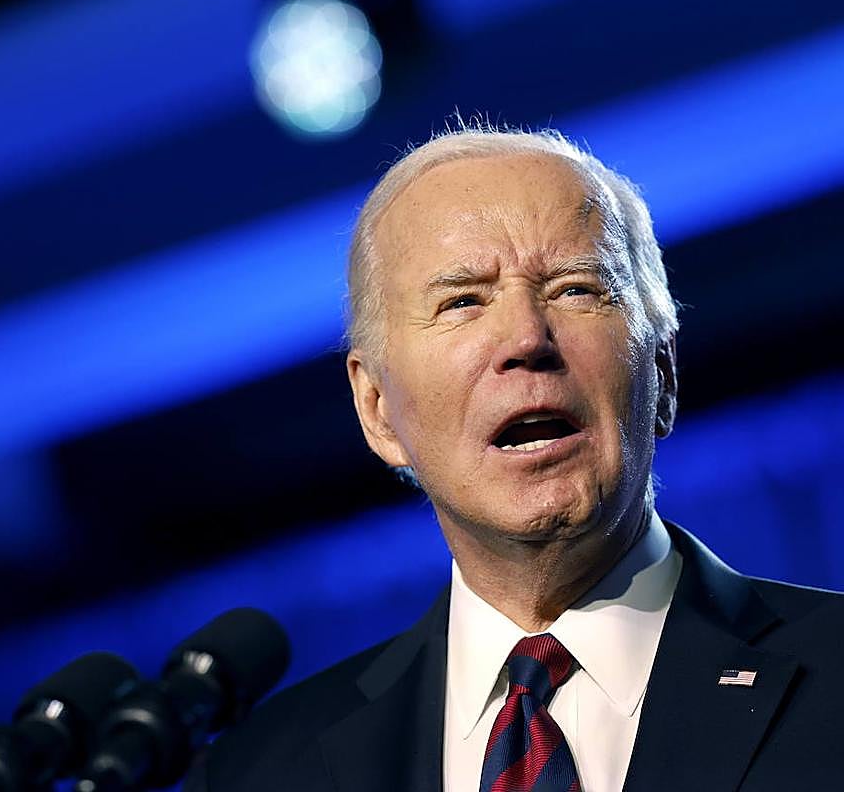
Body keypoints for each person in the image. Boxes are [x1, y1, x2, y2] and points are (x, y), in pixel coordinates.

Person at [183, 125, 844, 791]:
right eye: (463, 301)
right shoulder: (261, 773)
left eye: (576, 289)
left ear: (663, 372)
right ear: (378, 408)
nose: (527, 338)